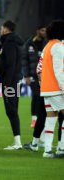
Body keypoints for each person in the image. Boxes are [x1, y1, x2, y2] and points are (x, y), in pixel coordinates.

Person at [39, 20, 64, 158]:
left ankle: (47, 150)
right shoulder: (59, 46)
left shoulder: (48, 46)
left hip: (47, 88)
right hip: (57, 89)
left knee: (51, 117)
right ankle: (61, 148)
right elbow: (59, 71)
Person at [0, 20, 24, 150]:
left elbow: (10, 64)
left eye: (1, 28)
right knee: (13, 109)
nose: (0, 30)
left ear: (6, 29)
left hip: (11, 82)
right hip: (16, 80)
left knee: (11, 110)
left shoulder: (9, 43)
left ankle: (18, 142)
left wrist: (6, 84)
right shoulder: (15, 42)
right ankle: (17, 141)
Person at [22, 25, 47, 128]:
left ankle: (43, 118)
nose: (44, 32)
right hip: (33, 76)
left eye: (45, 30)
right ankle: (34, 119)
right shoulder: (29, 43)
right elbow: (24, 60)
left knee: (44, 98)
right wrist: (26, 76)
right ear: (37, 31)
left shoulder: (48, 43)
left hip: (46, 75)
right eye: (42, 30)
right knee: (36, 96)